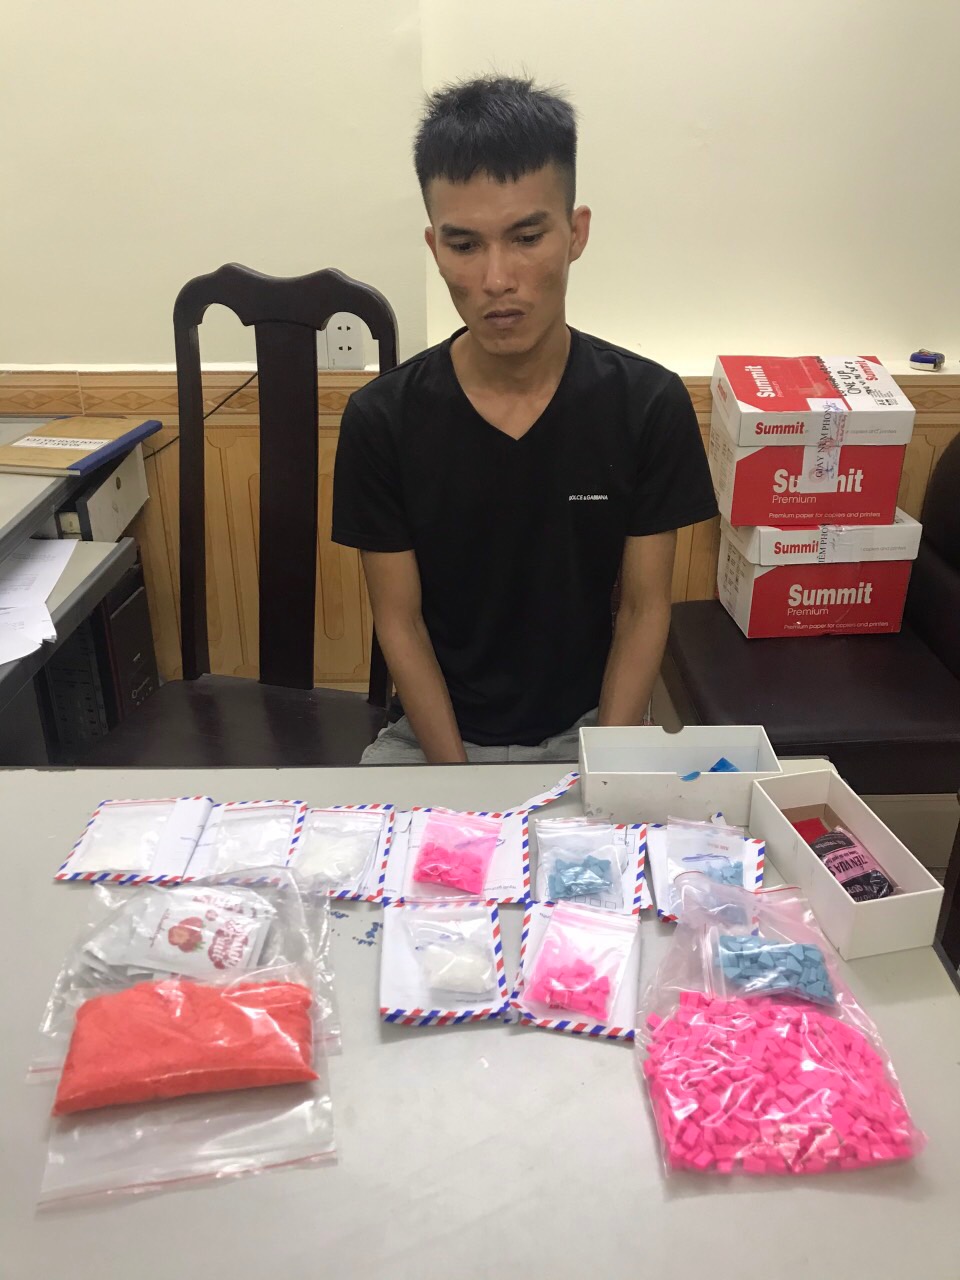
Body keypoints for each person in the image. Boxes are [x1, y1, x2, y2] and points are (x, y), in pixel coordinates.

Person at [332, 75, 718, 764]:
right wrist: (461, 788)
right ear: (435, 247)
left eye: (527, 237)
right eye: (465, 245)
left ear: (576, 234)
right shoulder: (382, 418)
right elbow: (400, 623)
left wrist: (603, 764)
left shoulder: (647, 403)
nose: (497, 279)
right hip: (430, 737)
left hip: (592, 727)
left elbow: (643, 610)